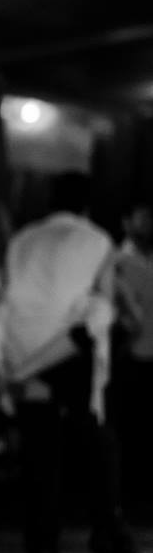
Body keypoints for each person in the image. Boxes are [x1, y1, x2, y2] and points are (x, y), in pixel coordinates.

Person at [0, 172, 145, 553]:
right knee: (99, 441)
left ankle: (41, 544)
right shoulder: (98, 239)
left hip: (21, 351)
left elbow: (7, 295)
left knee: (40, 448)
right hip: (67, 350)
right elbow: (104, 302)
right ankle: (112, 535)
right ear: (87, 205)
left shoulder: (22, 239)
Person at [112, 202, 153, 509]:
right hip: (131, 355)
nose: (147, 225)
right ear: (126, 223)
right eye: (141, 219)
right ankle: (131, 498)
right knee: (132, 428)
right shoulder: (117, 261)